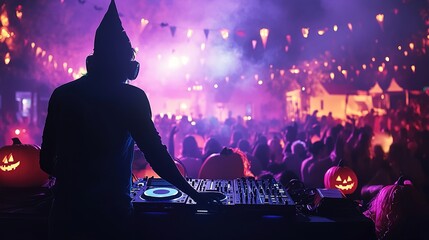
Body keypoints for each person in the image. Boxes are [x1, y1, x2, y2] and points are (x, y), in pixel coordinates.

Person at [39, 1, 219, 239]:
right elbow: (157, 156)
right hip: (110, 217)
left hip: (64, 217)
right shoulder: (131, 97)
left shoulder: (62, 94)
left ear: (92, 62)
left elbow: (45, 162)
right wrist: (194, 194)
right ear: (128, 65)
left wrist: (76, 178)